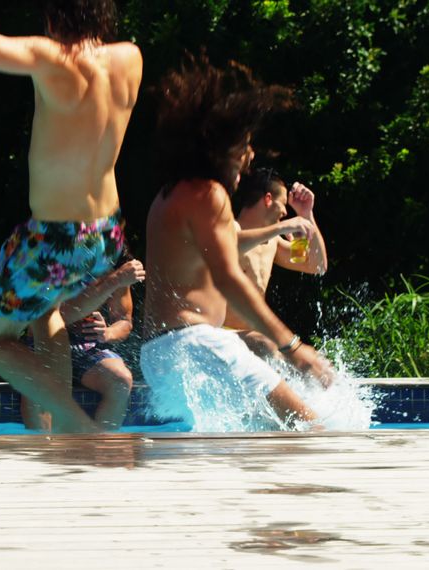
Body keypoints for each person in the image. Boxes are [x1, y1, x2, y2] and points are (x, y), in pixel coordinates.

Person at [0, 0, 143, 432]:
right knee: (46, 313)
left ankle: (79, 427)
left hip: (55, 238)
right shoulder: (130, 57)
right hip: (105, 236)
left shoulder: (51, 57)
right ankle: (51, 428)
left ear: (54, 14)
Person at [140, 55, 333, 432]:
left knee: (247, 442)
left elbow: (315, 264)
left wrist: (305, 220)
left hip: (164, 353)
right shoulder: (206, 194)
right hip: (194, 345)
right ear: (220, 147)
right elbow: (228, 277)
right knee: (311, 428)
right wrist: (294, 349)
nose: (250, 154)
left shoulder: (171, 195)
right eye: (245, 144)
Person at [22, 256, 145, 431]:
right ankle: (45, 450)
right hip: (45, 340)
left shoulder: (115, 268)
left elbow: (124, 321)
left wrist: (107, 333)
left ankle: (101, 448)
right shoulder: (53, 260)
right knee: (40, 387)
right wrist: (114, 281)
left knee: (120, 381)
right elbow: (54, 316)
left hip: (87, 347)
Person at [224, 168, 329, 356]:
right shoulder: (231, 227)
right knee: (268, 346)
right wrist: (283, 227)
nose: (285, 211)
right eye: (282, 204)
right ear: (268, 199)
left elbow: (316, 265)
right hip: (219, 333)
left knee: (309, 358)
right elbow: (228, 245)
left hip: (251, 338)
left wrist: (306, 213)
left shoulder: (272, 242)